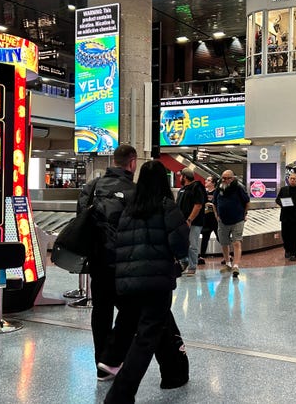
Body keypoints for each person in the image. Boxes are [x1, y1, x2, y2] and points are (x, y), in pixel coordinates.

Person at [104, 160, 190, 403]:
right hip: (156, 283)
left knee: (144, 329)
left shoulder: (128, 210)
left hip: (128, 283)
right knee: (145, 339)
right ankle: (119, 396)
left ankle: (173, 372)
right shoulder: (166, 207)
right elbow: (180, 242)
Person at [77, 144, 137, 381]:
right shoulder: (134, 191)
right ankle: (114, 358)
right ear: (132, 163)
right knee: (131, 312)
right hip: (125, 263)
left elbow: (80, 218)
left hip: (98, 261)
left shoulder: (92, 187)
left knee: (101, 312)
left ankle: (101, 364)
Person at [214, 170, 250, 278]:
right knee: (224, 242)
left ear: (232, 178)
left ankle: (236, 265)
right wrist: (217, 215)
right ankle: (228, 263)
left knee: (237, 242)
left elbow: (247, 202)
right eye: (223, 178)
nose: (225, 180)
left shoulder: (238, 188)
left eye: (227, 178)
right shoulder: (219, 188)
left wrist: (244, 214)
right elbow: (215, 202)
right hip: (223, 220)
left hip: (237, 220)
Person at [175, 168, 205, 275]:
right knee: (183, 244)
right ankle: (184, 263)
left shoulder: (196, 187)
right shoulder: (183, 189)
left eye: (181, 176)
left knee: (192, 244)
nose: (180, 178)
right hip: (182, 222)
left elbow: (198, 205)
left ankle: (192, 266)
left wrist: (189, 219)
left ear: (185, 177)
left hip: (194, 222)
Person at [276, 173, 296, 261]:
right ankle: (287, 250)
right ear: (288, 179)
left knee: (295, 236)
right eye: (291, 178)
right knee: (285, 235)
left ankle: (294, 253)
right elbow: (278, 199)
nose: (292, 180)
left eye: (294, 179)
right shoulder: (283, 189)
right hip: (285, 217)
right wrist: (282, 203)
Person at [199, 175, 219, 264]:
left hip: (215, 219)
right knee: (205, 237)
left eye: (208, 180)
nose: (206, 181)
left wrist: (212, 206)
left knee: (220, 237)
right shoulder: (204, 193)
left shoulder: (217, 193)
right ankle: (202, 256)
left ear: (213, 183)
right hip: (206, 219)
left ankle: (228, 255)